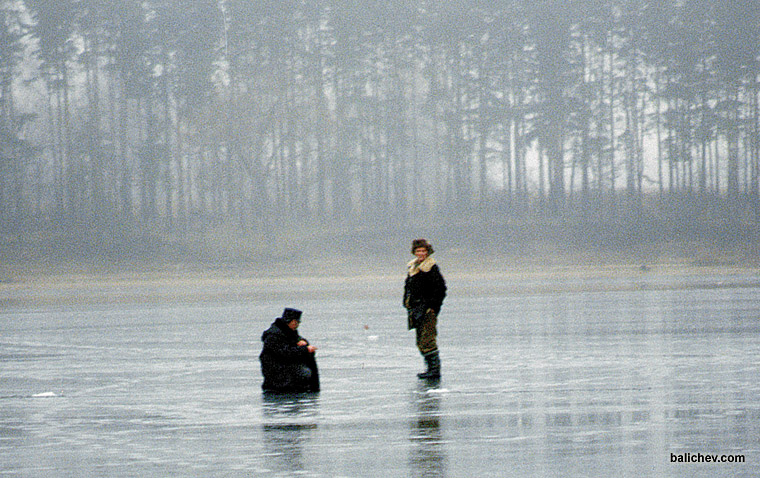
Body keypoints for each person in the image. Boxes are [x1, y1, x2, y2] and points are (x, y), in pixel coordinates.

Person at [403, 239, 447, 379]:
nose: (421, 253)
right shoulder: (412, 268)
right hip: (416, 309)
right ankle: (429, 368)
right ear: (414, 252)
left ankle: (434, 370)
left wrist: (433, 308)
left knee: (427, 339)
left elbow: (441, 289)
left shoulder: (431, 267)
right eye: (418, 251)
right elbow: (408, 288)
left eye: (423, 251)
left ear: (427, 252)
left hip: (427, 309)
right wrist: (406, 302)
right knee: (420, 341)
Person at [260, 307, 320, 393]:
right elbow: (284, 353)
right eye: (296, 322)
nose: (297, 325)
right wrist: (304, 349)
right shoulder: (273, 336)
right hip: (278, 380)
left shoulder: (290, 333)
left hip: (289, 380)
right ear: (289, 321)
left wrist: (304, 344)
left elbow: (297, 344)